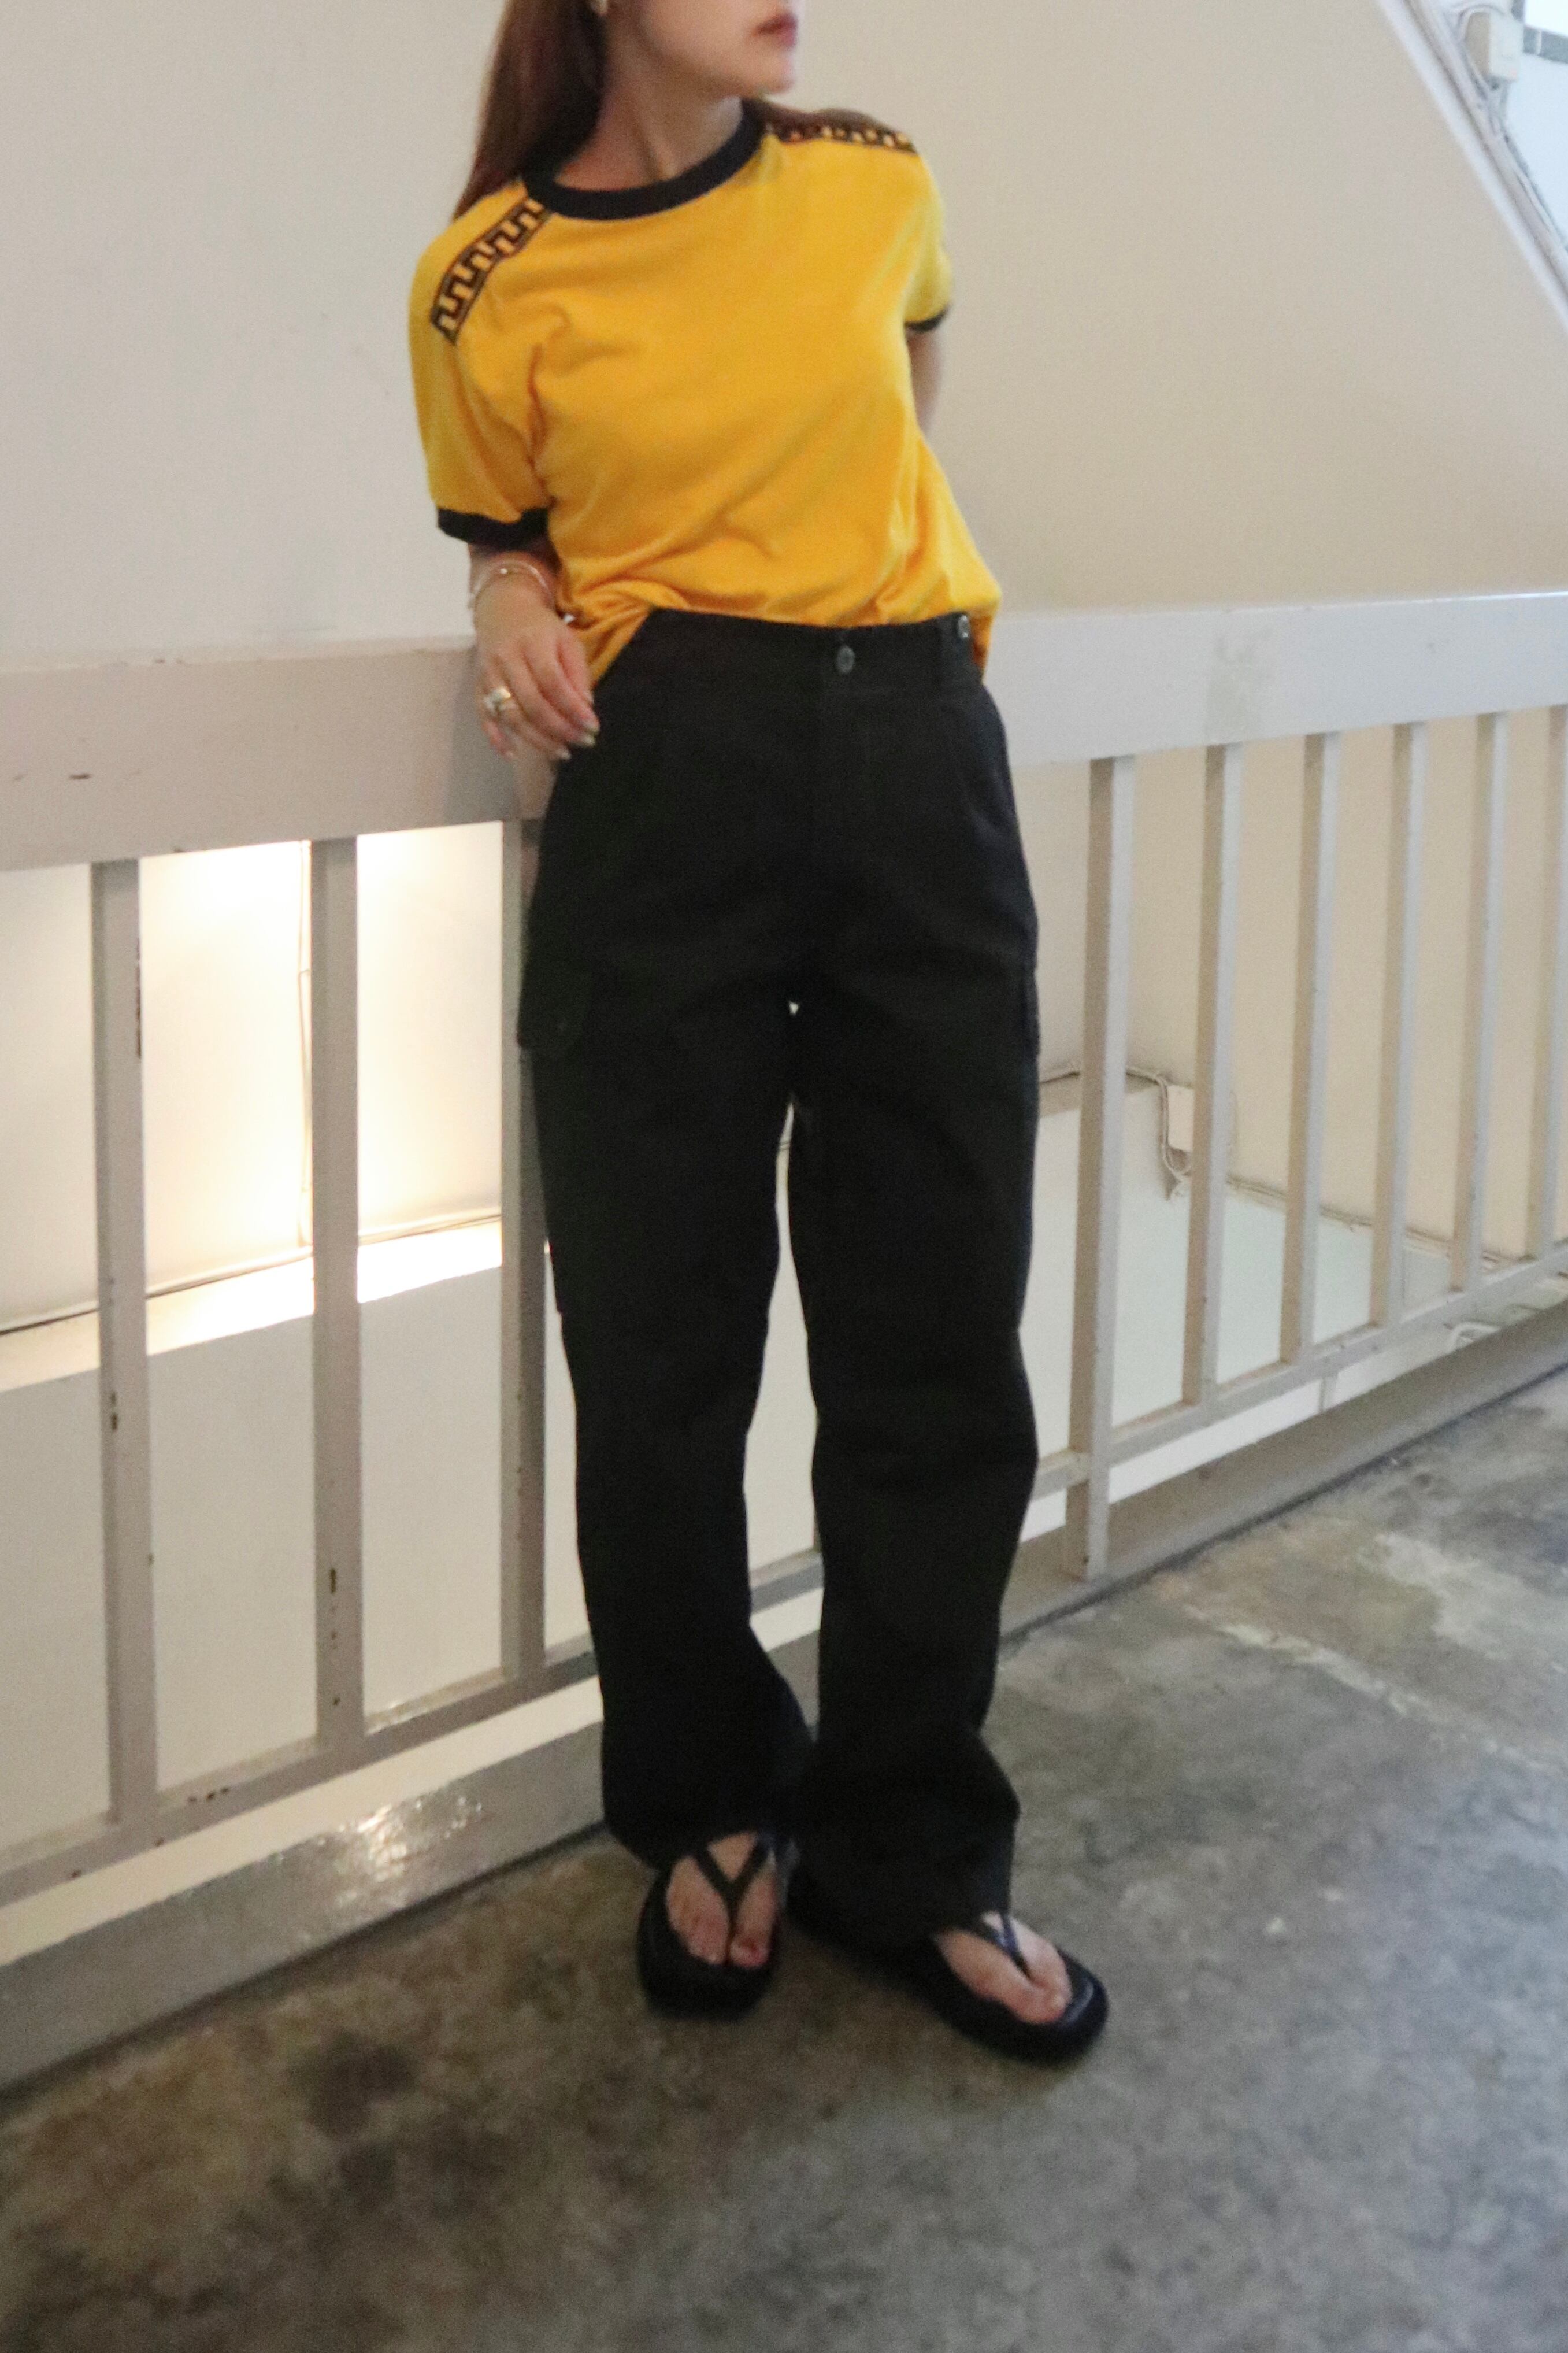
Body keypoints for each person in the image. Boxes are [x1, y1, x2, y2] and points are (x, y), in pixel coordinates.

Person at [409, 0, 1108, 2065]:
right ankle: (709, 1799)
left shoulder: (872, 182)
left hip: (913, 757)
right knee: (656, 1344)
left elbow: (901, 406)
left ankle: (914, 1846)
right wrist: (505, 601)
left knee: (936, 1330)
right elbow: (507, 536)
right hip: (663, 787)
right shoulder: (485, 279)